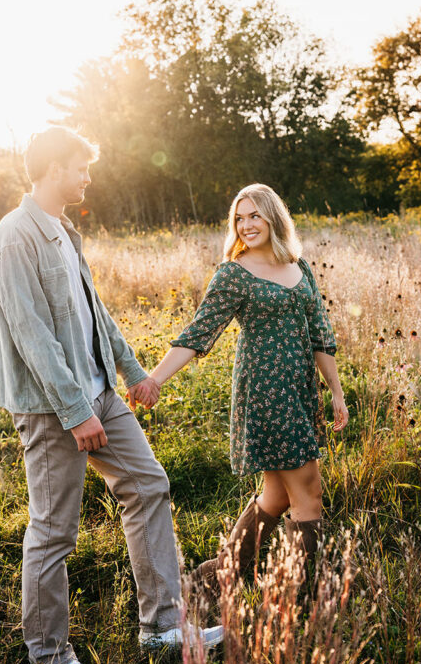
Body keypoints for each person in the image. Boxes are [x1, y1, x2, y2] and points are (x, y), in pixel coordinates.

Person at [0, 127, 222, 664]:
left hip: (100, 396)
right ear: (53, 168)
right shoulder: (15, 236)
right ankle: (49, 662)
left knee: (148, 484)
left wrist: (133, 372)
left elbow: (96, 312)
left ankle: (162, 627)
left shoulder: (65, 231)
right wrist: (75, 412)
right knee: (54, 530)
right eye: (80, 167)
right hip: (53, 409)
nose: (87, 177)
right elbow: (32, 336)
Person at [141, 183, 349, 593]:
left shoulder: (299, 267)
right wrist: (154, 379)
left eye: (255, 215)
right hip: (266, 394)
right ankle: (297, 596)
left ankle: (215, 579)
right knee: (308, 494)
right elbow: (198, 333)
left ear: (273, 217)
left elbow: (320, 335)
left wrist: (336, 391)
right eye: (239, 218)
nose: (247, 225)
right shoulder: (234, 274)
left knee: (277, 495)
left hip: (300, 391)